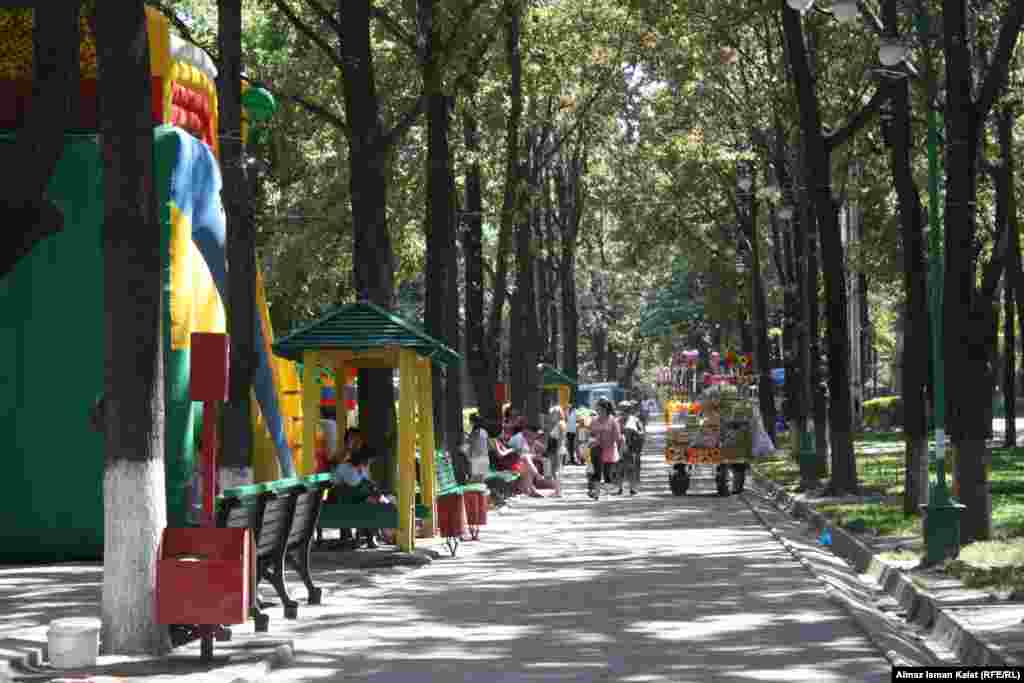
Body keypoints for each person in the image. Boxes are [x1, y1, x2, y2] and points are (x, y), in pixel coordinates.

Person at [332, 444, 393, 548]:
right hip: (344, 501)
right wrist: (371, 490)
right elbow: (355, 485)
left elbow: (365, 484)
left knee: (375, 502)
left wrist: (373, 490)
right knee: (371, 503)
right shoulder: (346, 467)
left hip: (357, 498)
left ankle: (373, 536)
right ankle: (373, 537)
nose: (369, 463)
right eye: (369, 460)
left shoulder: (362, 468)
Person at [504, 419, 560, 497]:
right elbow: (520, 455)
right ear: (528, 431)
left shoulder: (530, 440)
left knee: (538, 462)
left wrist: (540, 455)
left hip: (521, 464)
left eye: (537, 434)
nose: (537, 436)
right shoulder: (519, 438)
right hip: (511, 464)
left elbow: (543, 451)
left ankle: (541, 484)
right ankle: (533, 484)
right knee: (527, 460)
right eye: (536, 433)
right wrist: (535, 456)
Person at [587, 398, 624, 500]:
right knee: (597, 472)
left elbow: (617, 437)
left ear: (605, 409)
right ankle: (596, 493)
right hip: (596, 449)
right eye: (597, 409)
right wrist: (592, 440)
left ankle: (607, 494)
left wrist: (620, 447)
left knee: (607, 473)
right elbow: (590, 434)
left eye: (599, 409)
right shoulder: (594, 420)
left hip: (609, 450)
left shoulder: (613, 421)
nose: (597, 411)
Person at [619, 401, 645, 496]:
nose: (624, 411)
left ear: (630, 410)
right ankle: (619, 488)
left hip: (632, 448)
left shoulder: (635, 420)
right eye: (622, 409)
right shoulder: (617, 421)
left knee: (632, 468)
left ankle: (633, 488)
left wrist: (635, 432)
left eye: (626, 409)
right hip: (620, 448)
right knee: (619, 468)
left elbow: (642, 433)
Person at [466, 413, 491, 484]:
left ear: (473, 422)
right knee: (482, 483)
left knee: (475, 484)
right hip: (485, 459)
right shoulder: (484, 432)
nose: (470, 423)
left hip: (477, 460)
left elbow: (469, 446)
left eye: (470, 421)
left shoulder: (474, 433)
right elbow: (488, 446)